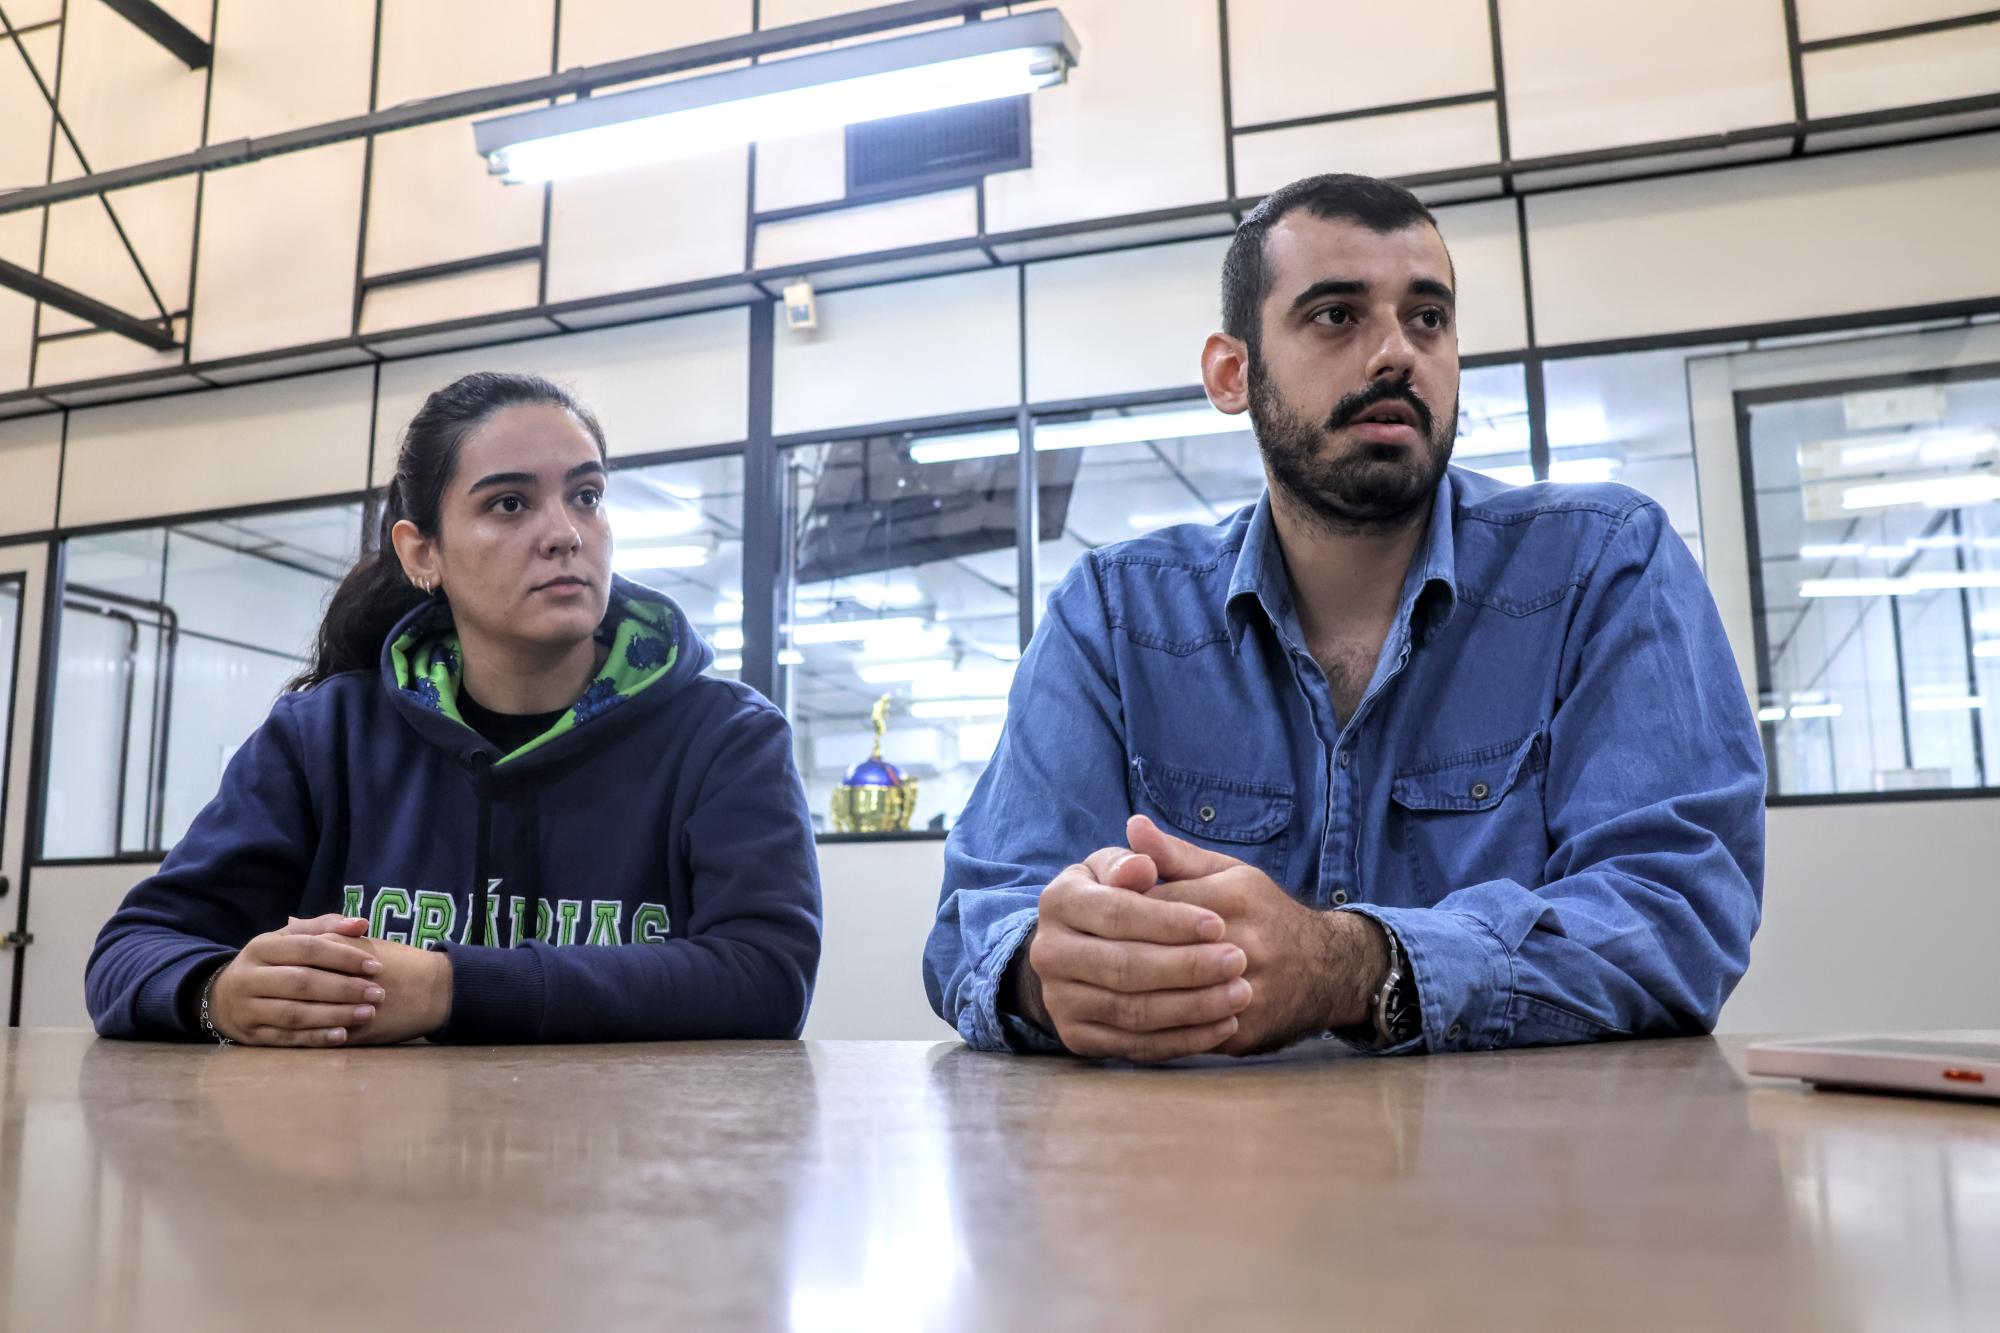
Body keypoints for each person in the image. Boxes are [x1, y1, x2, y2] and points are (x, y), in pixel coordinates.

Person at [924, 173, 1764, 1061]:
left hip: (1520, 1176)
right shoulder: (1115, 617)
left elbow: (1678, 908)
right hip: (1197, 1178)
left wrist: (1354, 966)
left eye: (1428, 317)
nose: (1395, 354)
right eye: (1337, 315)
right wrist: (1055, 972)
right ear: (1232, 371)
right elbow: (979, 920)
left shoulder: (1603, 566)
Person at [87, 372, 821, 1046]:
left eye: (587, 495)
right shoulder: (323, 737)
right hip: (371, 1170)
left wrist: (448, 986)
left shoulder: (727, 737)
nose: (565, 531)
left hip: (630, 1174)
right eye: (509, 503)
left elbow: (765, 977)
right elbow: (134, 948)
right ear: (421, 554)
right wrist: (217, 993)